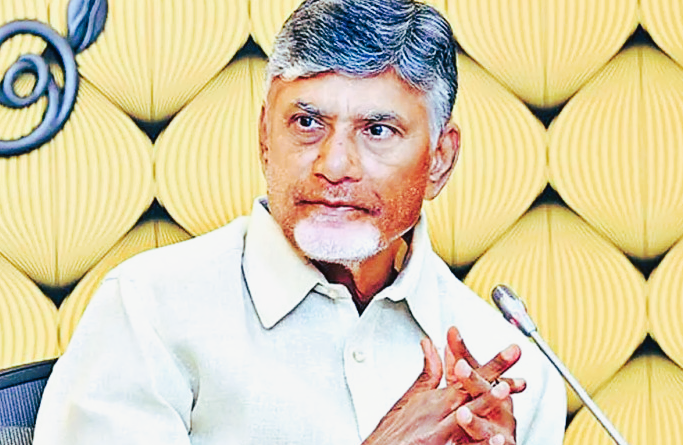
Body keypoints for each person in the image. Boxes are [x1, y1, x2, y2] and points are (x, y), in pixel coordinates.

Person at [33, 1, 566, 444]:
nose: (334, 165)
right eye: (307, 122)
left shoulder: (511, 368)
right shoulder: (149, 309)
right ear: (266, 137)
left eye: (377, 130)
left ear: (441, 160)